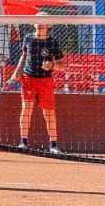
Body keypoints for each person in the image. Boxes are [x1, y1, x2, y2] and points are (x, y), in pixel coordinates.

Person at [4, 22, 65, 154]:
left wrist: (52, 65)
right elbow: (23, 56)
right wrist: (17, 71)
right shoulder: (28, 38)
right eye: (38, 21)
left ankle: (53, 145)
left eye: (44, 22)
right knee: (26, 110)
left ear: (49, 25)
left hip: (46, 81)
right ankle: (23, 142)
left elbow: (62, 65)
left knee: (49, 113)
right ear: (33, 23)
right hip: (28, 79)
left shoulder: (53, 42)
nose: (40, 23)